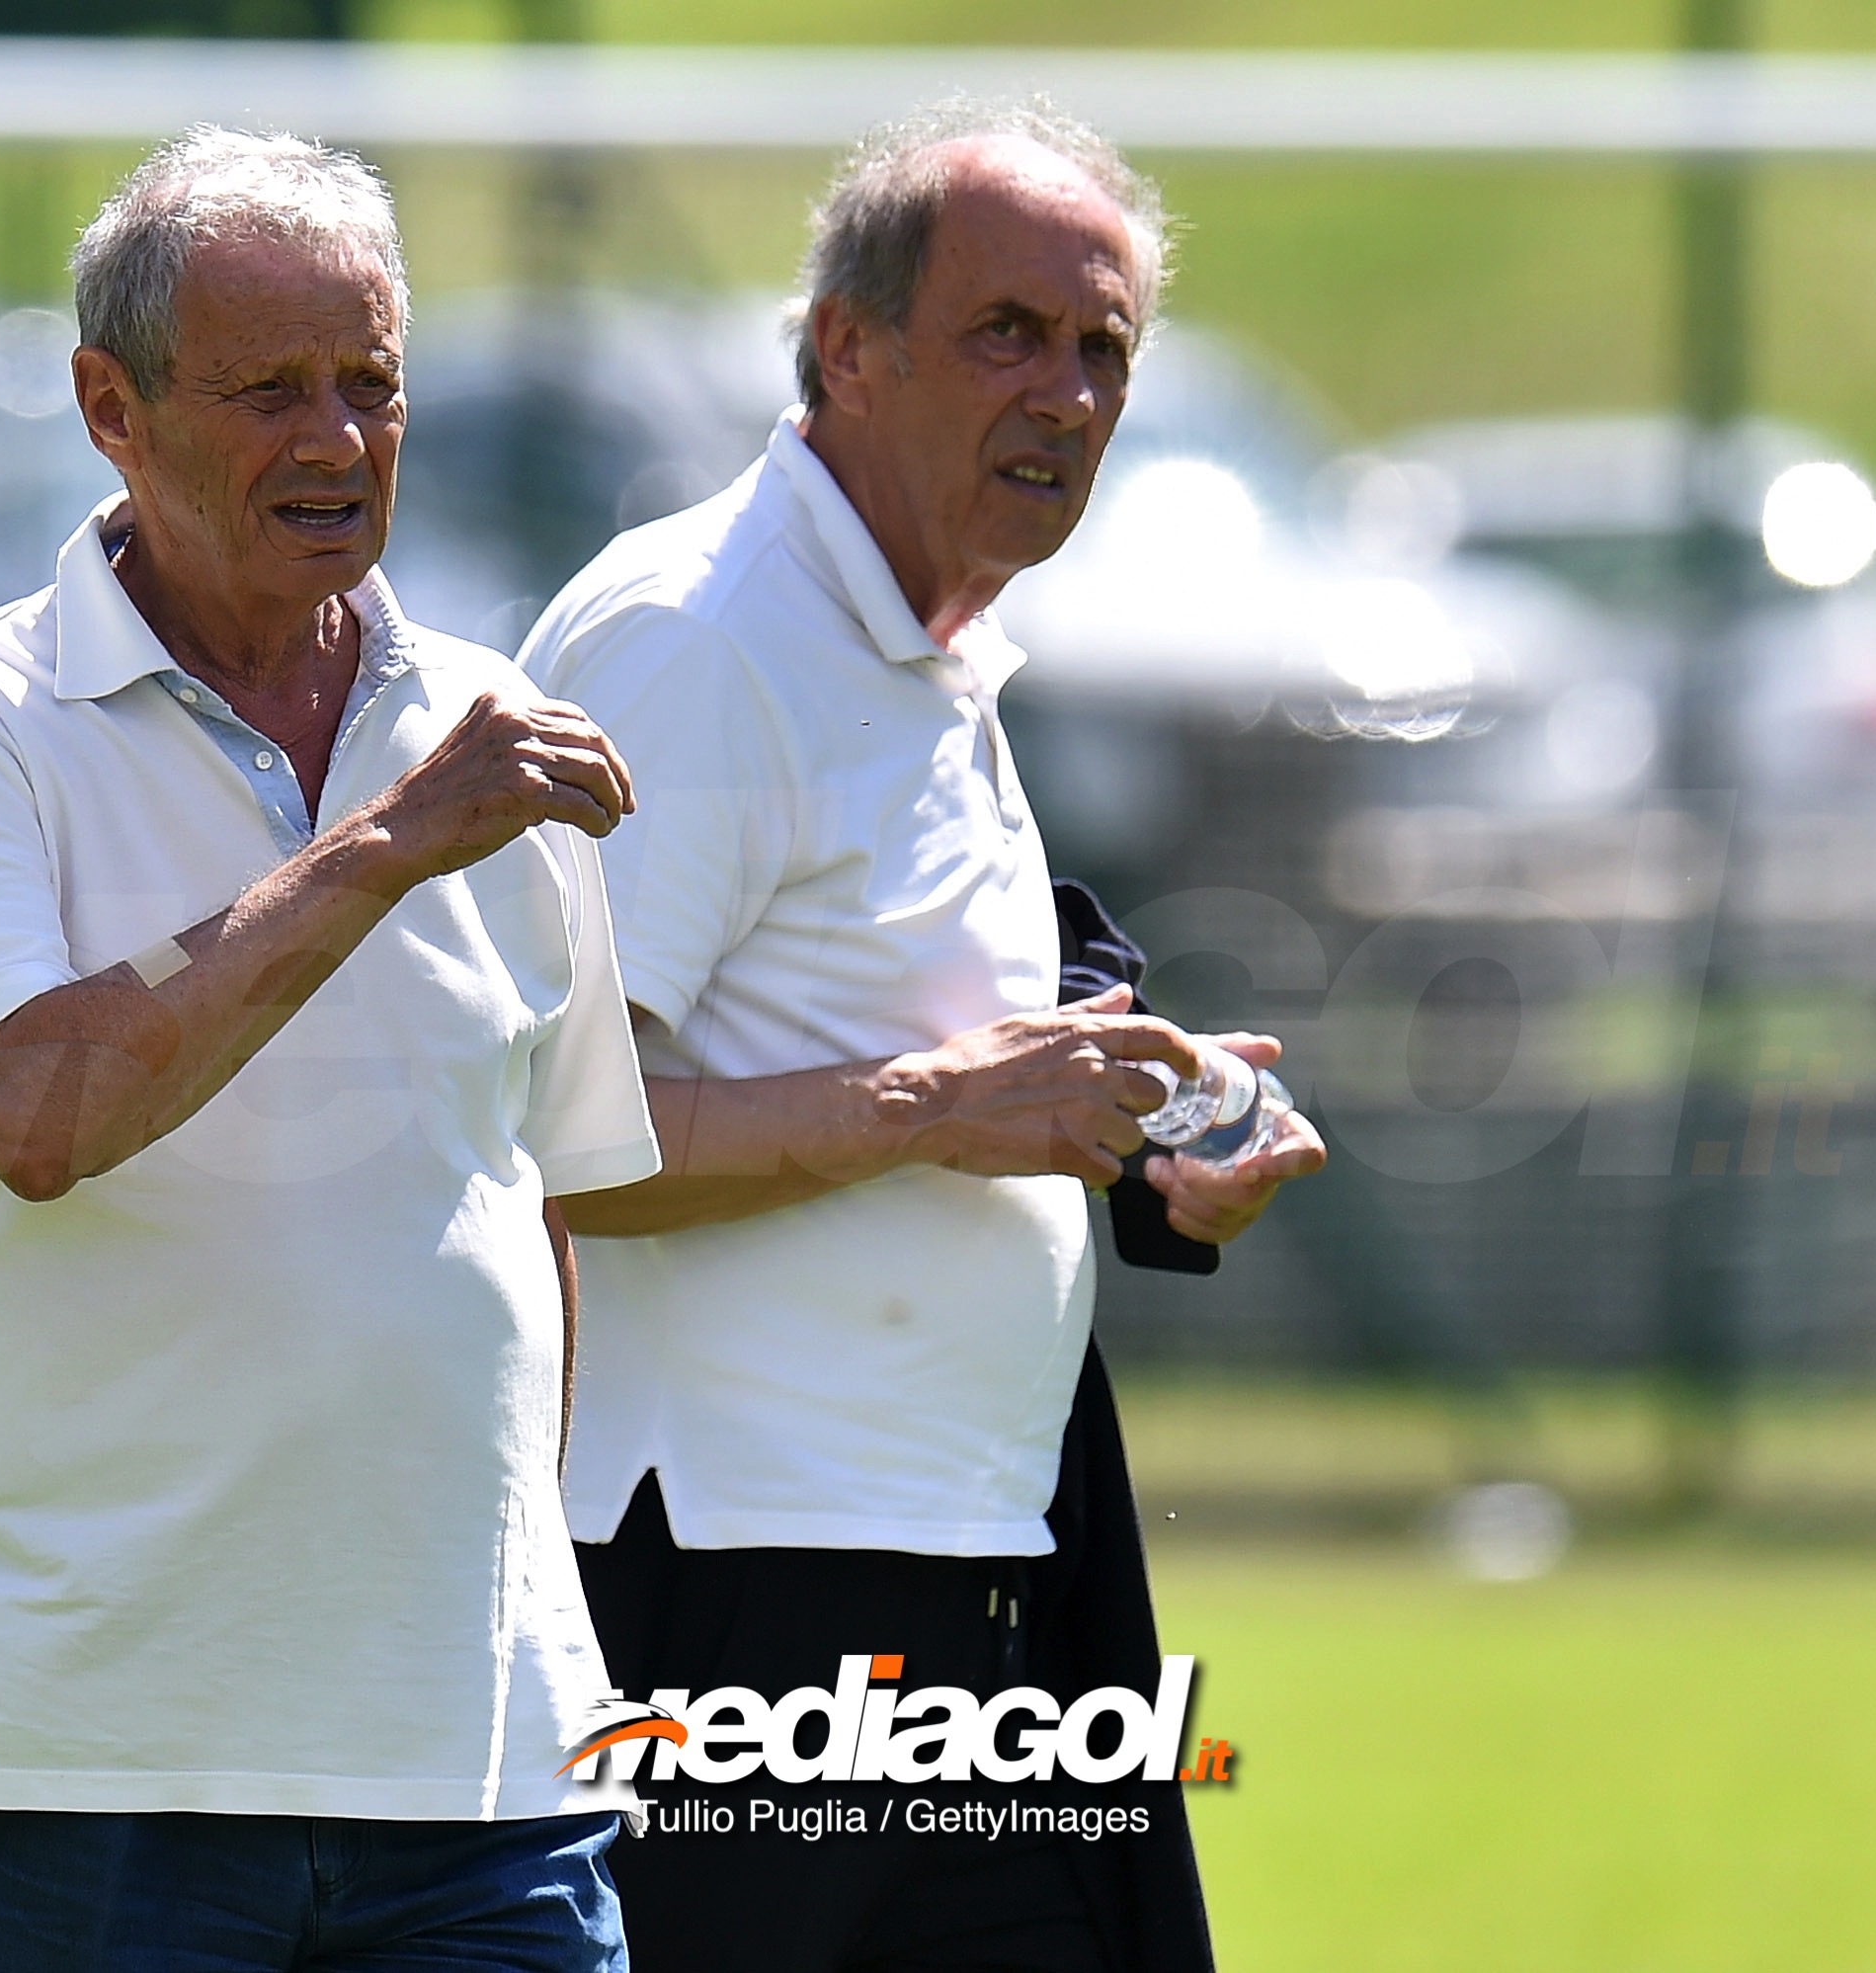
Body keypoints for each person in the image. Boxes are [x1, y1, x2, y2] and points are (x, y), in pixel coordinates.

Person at [0, 127, 659, 1973]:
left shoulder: (492, 728)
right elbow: (34, 1110)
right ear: (110, 406)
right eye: (271, 390)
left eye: (373, 382)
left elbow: (540, 1197)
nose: (336, 440)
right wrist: (387, 843)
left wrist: (511, 1624)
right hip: (57, 1777)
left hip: (481, 1786)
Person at [521, 100, 1325, 1973]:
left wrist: (1154, 1145)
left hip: (981, 1580)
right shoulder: (701, 637)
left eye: (1103, 346)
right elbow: (553, 1140)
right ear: (844, 351)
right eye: (1007, 333)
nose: (1066, 389)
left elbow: (954, 1056)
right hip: (728, 1598)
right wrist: (934, 1106)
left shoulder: (923, 648)